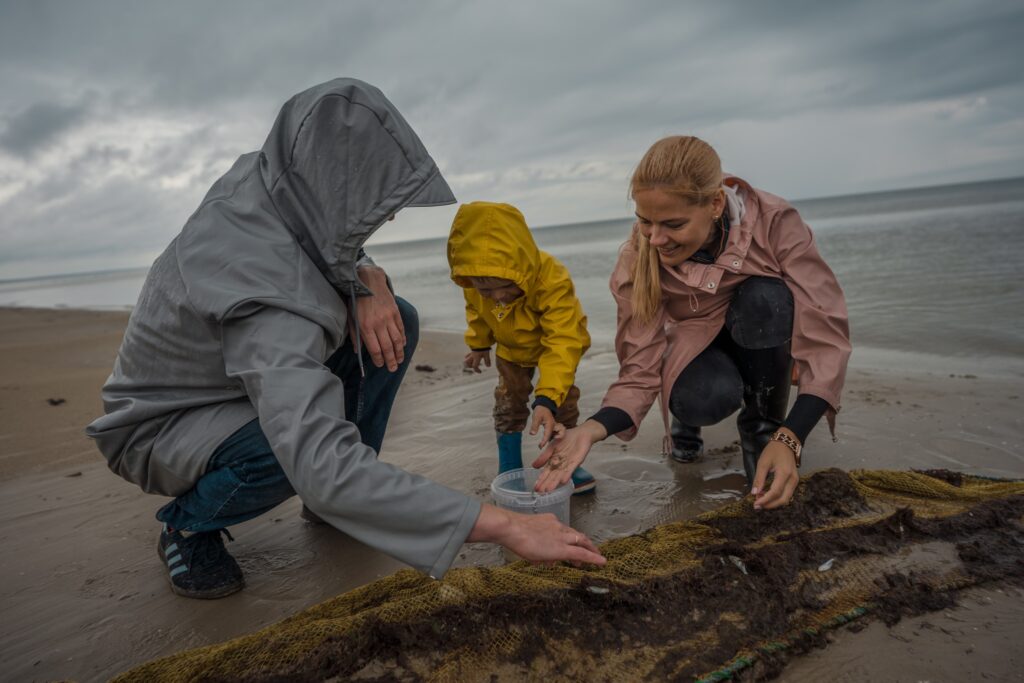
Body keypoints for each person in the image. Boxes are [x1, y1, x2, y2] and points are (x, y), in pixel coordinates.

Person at [86, 79, 604, 600]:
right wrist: (508, 526)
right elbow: (317, 460)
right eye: (380, 201)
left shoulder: (271, 179)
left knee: (397, 317)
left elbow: (316, 237)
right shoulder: (262, 295)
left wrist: (366, 274)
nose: (391, 215)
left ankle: (347, 499)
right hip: (161, 425)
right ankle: (187, 525)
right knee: (286, 452)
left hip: (229, 382)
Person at [534, 136, 851, 511]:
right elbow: (638, 368)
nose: (656, 239)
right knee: (702, 397)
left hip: (760, 335)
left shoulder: (775, 221)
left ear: (715, 204)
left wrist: (791, 436)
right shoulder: (638, 257)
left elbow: (825, 334)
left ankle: (765, 435)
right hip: (694, 346)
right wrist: (590, 429)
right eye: (644, 222)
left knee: (766, 298)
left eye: (673, 224)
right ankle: (686, 423)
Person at [447, 202, 596, 493]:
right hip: (510, 350)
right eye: (486, 290)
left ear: (521, 268)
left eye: (506, 286)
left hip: (553, 348)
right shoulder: (473, 283)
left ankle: (563, 460)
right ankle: (510, 467)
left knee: (563, 404)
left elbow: (562, 340)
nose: (498, 297)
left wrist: (546, 399)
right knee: (508, 403)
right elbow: (476, 310)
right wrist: (479, 344)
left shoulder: (551, 278)